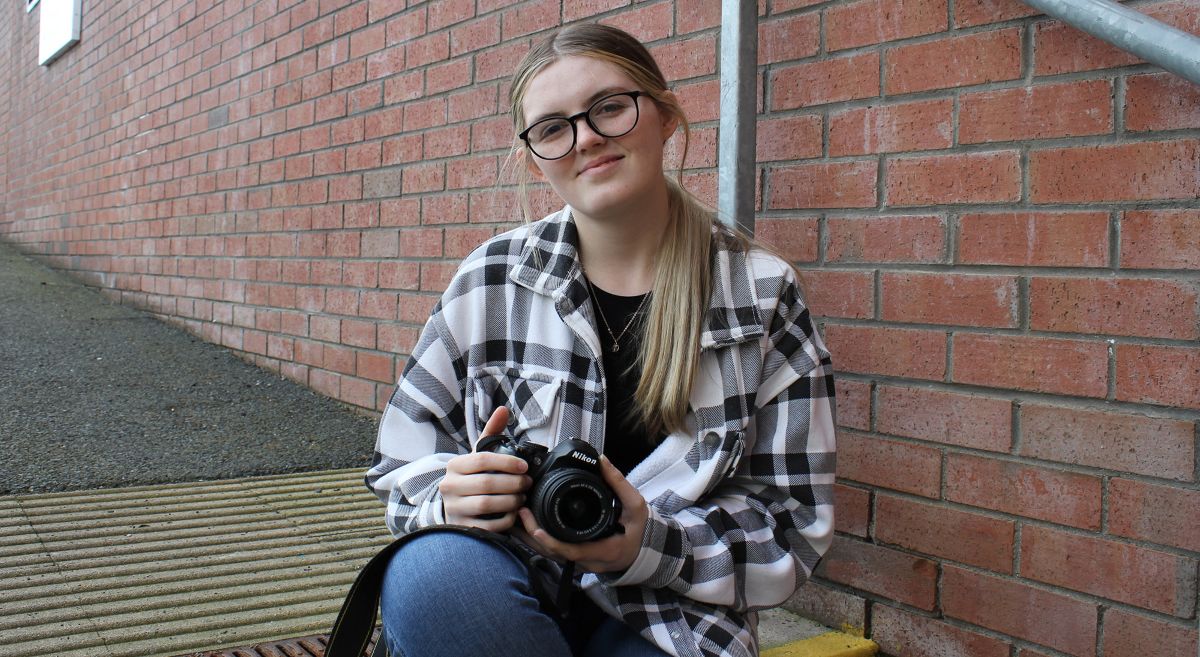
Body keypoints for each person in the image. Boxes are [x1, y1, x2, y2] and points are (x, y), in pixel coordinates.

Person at [365, 22, 836, 657]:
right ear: (535, 157)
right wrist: (451, 493)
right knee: (430, 579)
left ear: (665, 116)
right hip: (503, 575)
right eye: (554, 128)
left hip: (673, 613)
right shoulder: (491, 280)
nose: (586, 138)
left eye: (610, 108)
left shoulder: (761, 293)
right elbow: (400, 465)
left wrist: (646, 543)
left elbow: (792, 524)